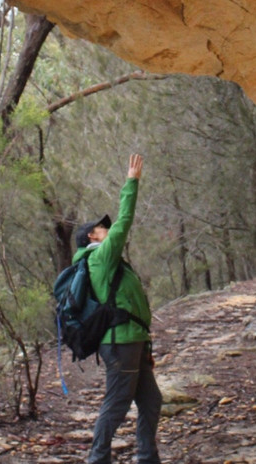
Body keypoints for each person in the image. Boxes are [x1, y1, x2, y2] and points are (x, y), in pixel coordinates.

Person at [75, 153, 161, 464]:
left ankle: (147, 457)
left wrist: (145, 345)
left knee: (151, 400)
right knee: (117, 403)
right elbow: (124, 222)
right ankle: (97, 458)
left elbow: (129, 303)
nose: (108, 230)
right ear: (91, 237)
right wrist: (131, 183)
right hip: (120, 342)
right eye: (102, 228)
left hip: (132, 340)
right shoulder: (99, 257)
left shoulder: (110, 261)